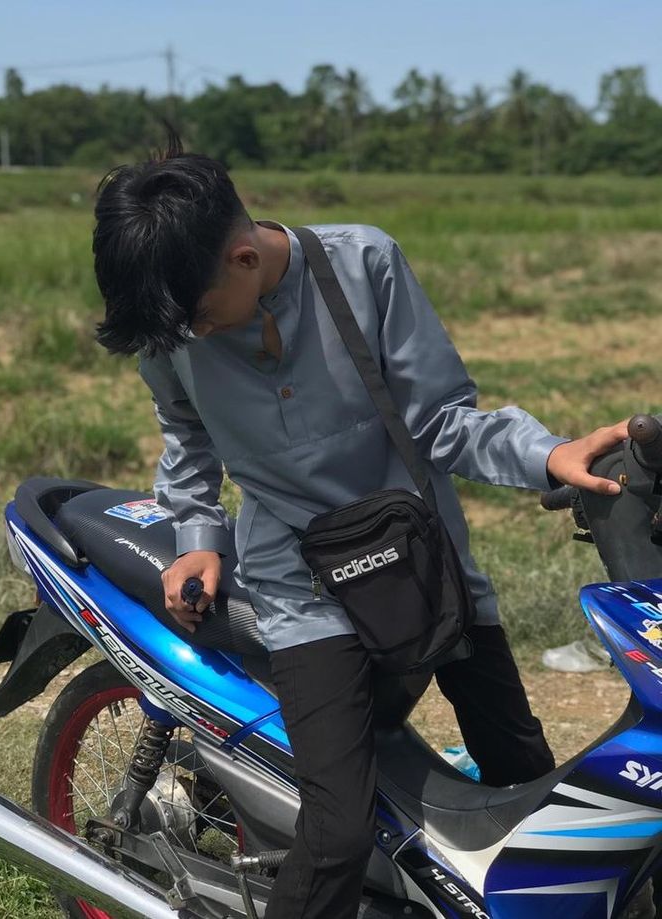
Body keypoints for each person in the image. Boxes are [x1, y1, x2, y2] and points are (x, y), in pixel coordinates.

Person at [92, 141, 628, 919]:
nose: (193, 338)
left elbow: (444, 423)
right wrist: (199, 532)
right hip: (304, 594)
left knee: (529, 784)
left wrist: (550, 454)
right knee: (339, 832)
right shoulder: (176, 328)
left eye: (201, 318)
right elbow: (187, 434)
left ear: (244, 257)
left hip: (427, 573)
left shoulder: (363, 264)